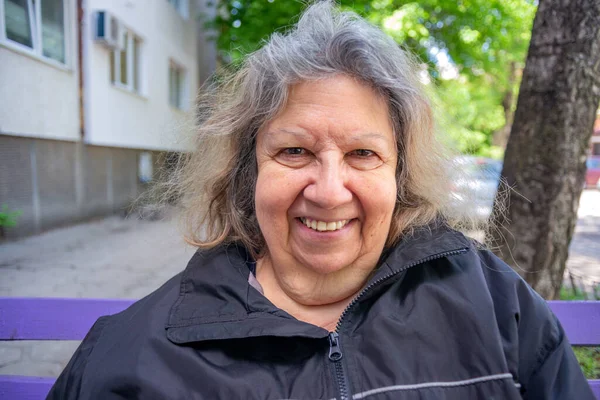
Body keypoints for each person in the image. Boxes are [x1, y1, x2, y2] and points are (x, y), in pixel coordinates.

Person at [48, 2, 594, 399]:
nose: (330, 191)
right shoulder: (133, 353)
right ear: (247, 173)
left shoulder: (497, 307)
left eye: (362, 153)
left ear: (400, 176)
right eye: (293, 151)